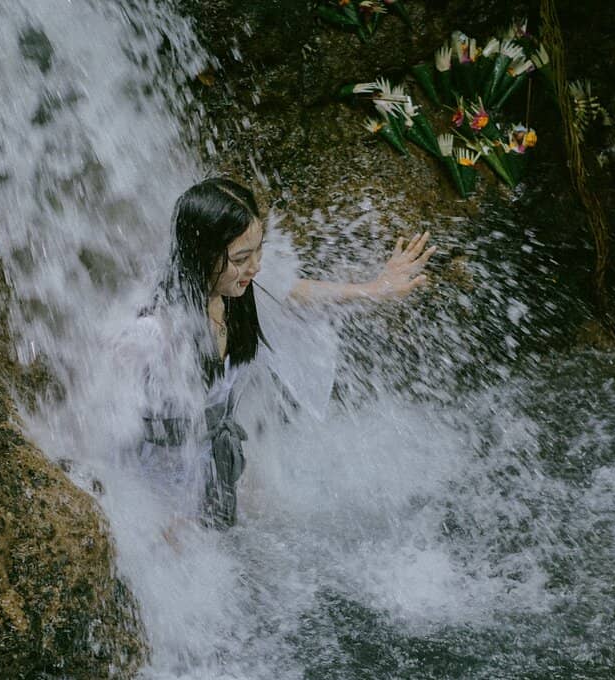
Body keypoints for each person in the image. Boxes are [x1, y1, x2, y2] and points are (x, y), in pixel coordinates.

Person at [119, 178, 434, 531]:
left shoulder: (236, 293)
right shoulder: (154, 332)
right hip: (162, 493)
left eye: (258, 251)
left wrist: (375, 288)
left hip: (216, 471)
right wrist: (144, 519)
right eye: (241, 258)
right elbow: (103, 413)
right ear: (202, 254)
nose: (255, 267)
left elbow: (295, 292)